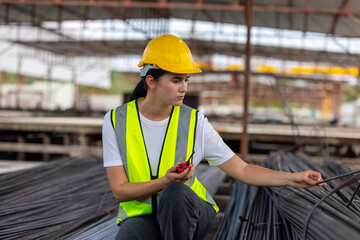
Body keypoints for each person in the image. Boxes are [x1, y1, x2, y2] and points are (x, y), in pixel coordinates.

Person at [102, 34, 325, 240]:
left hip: (190, 213)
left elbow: (242, 170)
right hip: (145, 217)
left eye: (186, 80)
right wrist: (164, 181)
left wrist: (291, 178)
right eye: (176, 80)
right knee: (129, 234)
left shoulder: (194, 122)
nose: (184, 88)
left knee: (176, 193)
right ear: (151, 82)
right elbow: (120, 190)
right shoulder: (116, 122)